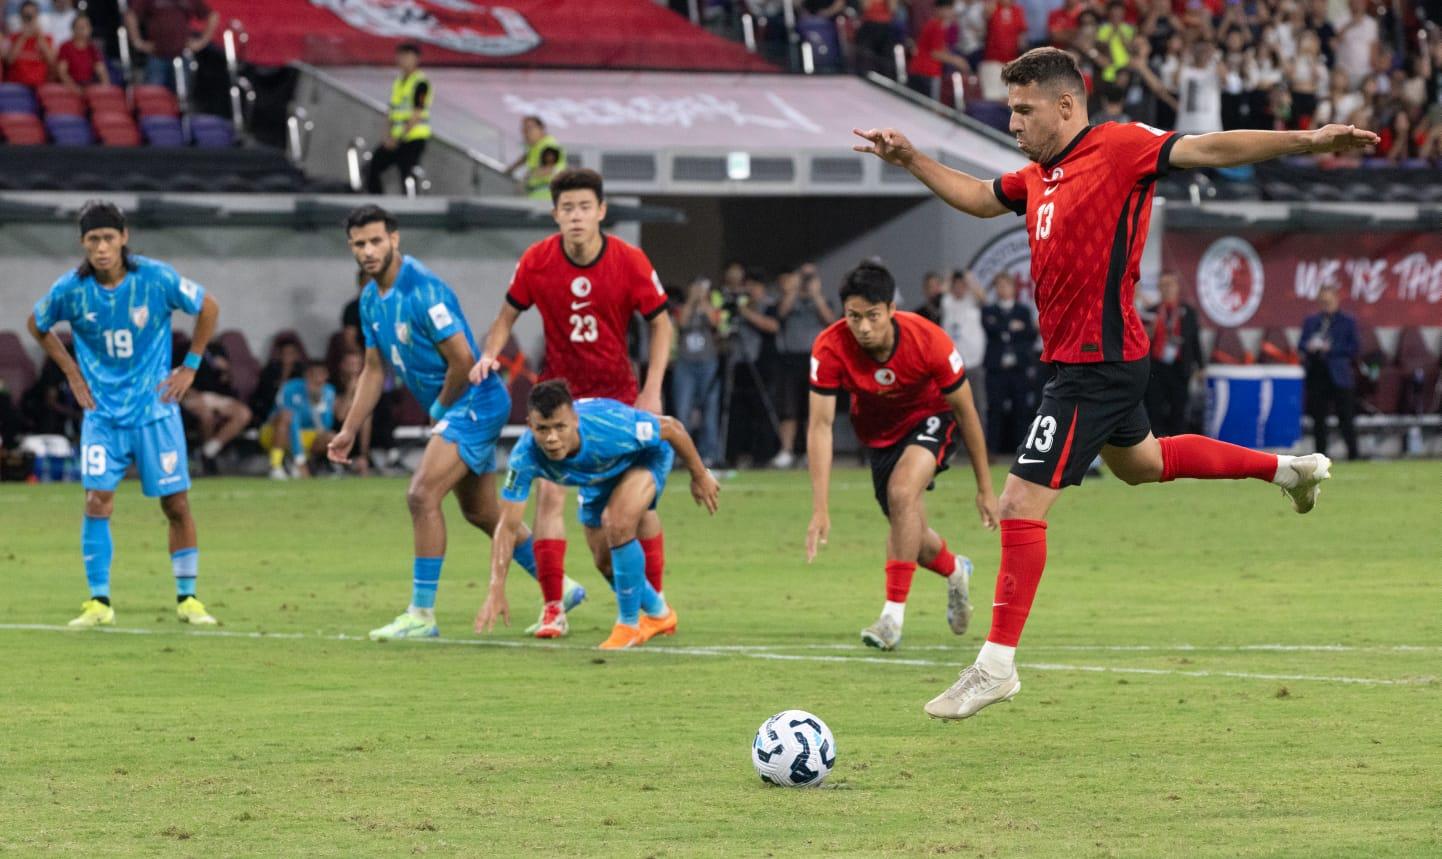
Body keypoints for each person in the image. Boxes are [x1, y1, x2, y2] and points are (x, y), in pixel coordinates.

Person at [853, 46, 1371, 720]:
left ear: (1066, 106)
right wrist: (912, 159)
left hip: (1097, 363)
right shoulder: (1038, 175)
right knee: (1142, 464)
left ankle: (995, 665)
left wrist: (1308, 138)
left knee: (1017, 505)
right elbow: (981, 198)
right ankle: (1287, 471)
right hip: (1087, 359)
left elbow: (1211, 148)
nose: (1013, 122)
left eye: (1023, 109)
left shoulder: (1121, 147)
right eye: (1010, 109)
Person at [472, 168, 674, 638]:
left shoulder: (630, 261)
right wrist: (489, 353)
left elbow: (661, 323)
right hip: (560, 397)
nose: (577, 216)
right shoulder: (537, 261)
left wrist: (652, 388)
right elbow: (505, 317)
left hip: (619, 398)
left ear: (601, 211)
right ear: (555, 214)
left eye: (585, 207)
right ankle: (552, 606)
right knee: (549, 492)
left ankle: (653, 605)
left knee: (634, 509)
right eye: (567, 208)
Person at [326, 205, 540, 641]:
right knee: (481, 512)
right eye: (359, 244)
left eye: (375, 241)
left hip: (476, 399)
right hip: (459, 406)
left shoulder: (423, 290)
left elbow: (463, 361)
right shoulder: (370, 299)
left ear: (395, 239)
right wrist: (349, 428)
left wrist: (440, 409)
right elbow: (372, 368)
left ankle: (422, 614)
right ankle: (559, 586)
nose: (368, 251)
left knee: (421, 495)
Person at [25, 200, 222, 628]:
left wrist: (191, 365)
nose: (101, 248)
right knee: (96, 502)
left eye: (108, 238)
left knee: (176, 505)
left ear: (123, 237)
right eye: (93, 239)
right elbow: (36, 324)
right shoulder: (71, 290)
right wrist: (72, 374)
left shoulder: (154, 279)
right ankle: (99, 602)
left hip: (156, 412)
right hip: (103, 417)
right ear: (82, 243)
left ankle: (188, 598)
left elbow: (208, 306)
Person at [806, 261, 998, 651]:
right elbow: (821, 426)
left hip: (932, 419)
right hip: (879, 439)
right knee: (908, 531)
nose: (862, 327)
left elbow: (966, 412)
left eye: (872, 316)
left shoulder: (930, 341)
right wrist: (820, 507)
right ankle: (956, 570)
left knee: (901, 493)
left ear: (892, 310)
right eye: (853, 317)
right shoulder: (829, 346)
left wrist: (985, 487)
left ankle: (892, 618)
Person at [474, 380, 719, 649]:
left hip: (644, 458)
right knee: (604, 561)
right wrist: (496, 587)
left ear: (575, 421)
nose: (551, 438)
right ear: (530, 425)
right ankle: (661, 614)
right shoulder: (524, 457)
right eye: (542, 429)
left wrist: (699, 475)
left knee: (616, 521)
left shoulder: (610, 426)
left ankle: (628, 625)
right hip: (599, 477)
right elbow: (507, 526)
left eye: (560, 427)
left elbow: (672, 428)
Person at [770, 265, 834, 469]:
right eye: (803, 276)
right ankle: (786, 451)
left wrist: (816, 295)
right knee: (788, 407)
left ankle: (811, 452)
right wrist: (794, 289)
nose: (806, 280)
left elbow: (831, 321)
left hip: (815, 358)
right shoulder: (790, 298)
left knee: (813, 409)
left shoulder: (823, 299)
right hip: (790, 359)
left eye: (810, 276)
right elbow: (781, 313)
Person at [980, 271, 1039, 454]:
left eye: (1006, 285)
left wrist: (1003, 328)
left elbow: (1030, 334)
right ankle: (992, 450)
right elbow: (990, 328)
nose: (1002, 289)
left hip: (1018, 369)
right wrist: (1011, 327)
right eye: (999, 286)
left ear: (1014, 288)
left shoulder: (1023, 310)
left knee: (1021, 409)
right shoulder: (989, 310)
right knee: (994, 409)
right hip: (996, 369)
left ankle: (1022, 450)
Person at [1299, 285, 1360, 461]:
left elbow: (1353, 348)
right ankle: (1320, 457)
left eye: (1328, 301)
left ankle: (1354, 454)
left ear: (1336, 300)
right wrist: (1310, 346)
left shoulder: (1347, 321)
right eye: (1322, 302)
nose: (1325, 305)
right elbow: (1301, 344)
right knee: (1319, 419)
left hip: (1339, 375)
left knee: (1346, 417)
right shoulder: (1312, 321)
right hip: (1317, 375)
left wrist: (1331, 349)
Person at [1141, 271, 1203, 438]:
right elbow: (1139, 342)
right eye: (1164, 285)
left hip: (1179, 367)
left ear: (1177, 287)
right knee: (1155, 409)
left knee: (1179, 409)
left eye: (1171, 284)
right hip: (1155, 368)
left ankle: (1178, 450)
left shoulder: (1188, 312)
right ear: (1159, 288)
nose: (1167, 288)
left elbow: (1194, 340)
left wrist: (1201, 367)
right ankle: (1157, 449)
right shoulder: (1151, 312)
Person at [365, 42, 431, 195]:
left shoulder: (420, 82)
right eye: (401, 56)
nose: (403, 60)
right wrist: (387, 136)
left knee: (406, 173)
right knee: (373, 166)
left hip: (413, 137)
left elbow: (417, 113)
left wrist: (399, 137)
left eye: (407, 56)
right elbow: (391, 111)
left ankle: (411, 208)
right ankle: (377, 203)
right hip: (395, 137)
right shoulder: (399, 82)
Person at [672, 276, 723, 466]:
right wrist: (692, 300)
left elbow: (715, 323)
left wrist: (703, 301)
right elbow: (682, 323)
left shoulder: (711, 307)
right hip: (685, 364)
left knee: (710, 409)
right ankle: (682, 454)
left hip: (708, 363)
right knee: (683, 409)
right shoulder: (683, 307)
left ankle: (709, 454)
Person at [180, 340, 252, 475]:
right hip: (193, 395)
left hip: (216, 396)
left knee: (243, 413)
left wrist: (226, 370)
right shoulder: (185, 348)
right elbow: (176, 375)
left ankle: (207, 452)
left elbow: (227, 380)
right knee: (207, 416)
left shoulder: (218, 349)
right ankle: (205, 461)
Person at [262, 360, 336, 479]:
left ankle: (314, 465)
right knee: (287, 416)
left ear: (326, 376)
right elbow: (288, 419)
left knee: (332, 437)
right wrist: (299, 457)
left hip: (306, 436)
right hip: (275, 433)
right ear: (307, 375)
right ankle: (276, 466)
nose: (318, 380)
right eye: (314, 375)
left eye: (321, 375)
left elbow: (325, 427)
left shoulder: (329, 392)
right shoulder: (290, 388)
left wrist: (317, 404)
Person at [125, 0, 217, 91]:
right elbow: (131, 15)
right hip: (157, 55)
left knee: (181, 96)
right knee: (153, 97)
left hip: (182, 55)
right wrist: (138, 42)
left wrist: (202, 41)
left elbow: (212, 16)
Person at [942, 270, 988, 432]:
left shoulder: (972, 301)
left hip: (975, 362)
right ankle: (952, 445)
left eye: (962, 286)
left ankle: (983, 445)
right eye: (956, 286)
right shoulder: (947, 302)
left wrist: (971, 280)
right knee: (952, 405)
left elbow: (983, 297)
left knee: (978, 405)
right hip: (954, 364)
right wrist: (950, 279)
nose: (959, 289)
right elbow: (943, 291)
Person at [505, 116, 567, 201]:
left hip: (546, 194)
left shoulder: (548, 145)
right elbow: (527, 157)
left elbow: (549, 168)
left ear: (541, 129)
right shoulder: (536, 146)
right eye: (524, 129)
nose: (526, 132)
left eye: (529, 128)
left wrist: (524, 180)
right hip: (538, 194)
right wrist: (511, 169)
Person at [5, 2, 56, 90]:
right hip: (16, 85)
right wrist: (23, 37)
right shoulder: (13, 37)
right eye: (26, 16)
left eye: (32, 16)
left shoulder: (46, 38)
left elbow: (52, 60)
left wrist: (39, 36)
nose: (29, 19)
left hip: (39, 84)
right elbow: (9, 60)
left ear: (37, 16)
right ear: (21, 17)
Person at [55, 13, 108, 91]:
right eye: (79, 27)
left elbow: (101, 70)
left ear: (90, 29)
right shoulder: (65, 47)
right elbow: (62, 72)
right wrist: (75, 88)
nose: (82, 29)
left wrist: (105, 89)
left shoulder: (93, 48)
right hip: (70, 87)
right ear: (73, 29)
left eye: (85, 26)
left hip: (89, 85)